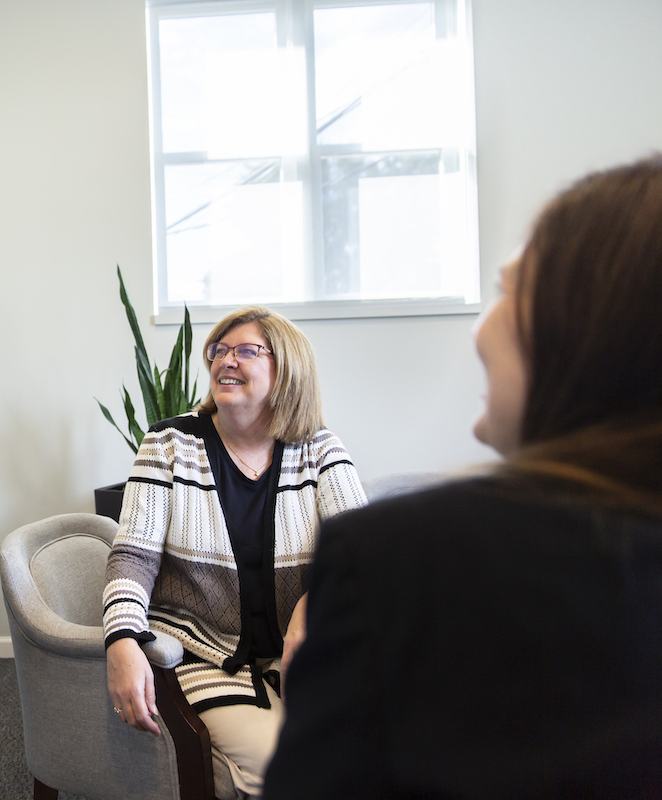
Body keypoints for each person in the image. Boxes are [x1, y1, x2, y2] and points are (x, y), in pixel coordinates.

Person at [263, 158, 662, 799]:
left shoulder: (394, 558)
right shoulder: (173, 445)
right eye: (220, 351)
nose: (480, 328)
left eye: (507, 291)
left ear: (584, 332)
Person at [103, 306, 367, 799]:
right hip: (203, 655)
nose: (226, 360)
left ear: (286, 367)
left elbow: (363, 552)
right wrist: (121, 638)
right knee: (287, 768)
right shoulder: (169, 443)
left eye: (246, 351)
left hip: (303, 657)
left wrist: (312, 610)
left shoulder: (319, 448)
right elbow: (132, 556)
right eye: (219, 350)